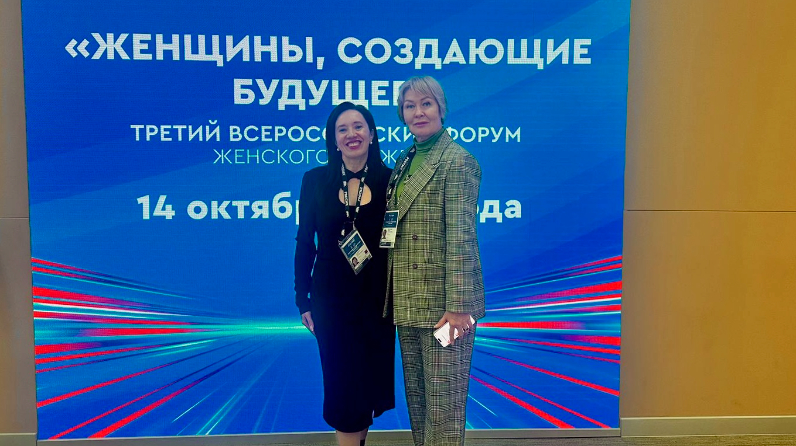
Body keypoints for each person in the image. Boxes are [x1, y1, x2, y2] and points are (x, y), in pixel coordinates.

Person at [383, 76, 485, 446]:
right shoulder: (405, 159)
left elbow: (461, 237)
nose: (418, 112)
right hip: (409, 301)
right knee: (420, 403)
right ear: (402, 114)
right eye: (409, 106)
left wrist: (459, 309)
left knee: (444, 408)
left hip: (448, 310)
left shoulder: (458, 161)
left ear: (441, 108)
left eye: (426, 103)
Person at [294, 102, 395, 446]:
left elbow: (396, 242)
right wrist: (302, 298)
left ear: (372, 134)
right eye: (342, 129)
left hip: (377, 301)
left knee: (365, 383)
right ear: (334, 139)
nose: (352, 134)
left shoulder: (391, 180)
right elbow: (305, 242)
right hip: (330, 301)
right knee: (341, 384)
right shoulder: (314, 181)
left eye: (358, 126)